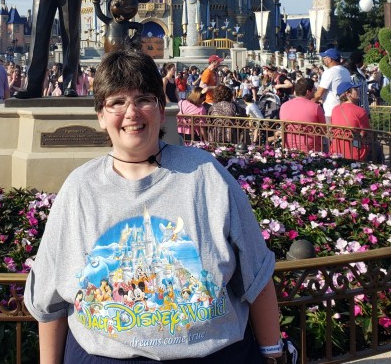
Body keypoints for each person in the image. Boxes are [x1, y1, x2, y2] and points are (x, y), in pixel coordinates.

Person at [23, 49, 285, 363]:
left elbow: (257, 274)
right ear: (101, 116)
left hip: (210, 353)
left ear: (161, 109)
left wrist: (273, 353)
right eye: (117, 102)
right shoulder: (80, 188)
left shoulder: (205, 175)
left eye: (143, 99)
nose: (131, 113)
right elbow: (49, 300)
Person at [279, 78, 326, 152]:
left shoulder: (284, 106)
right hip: (310, 149)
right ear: (308, 92)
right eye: (314, 89)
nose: (315, 92)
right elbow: (324, 130)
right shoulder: (316, 107)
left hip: (288, 147)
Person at [330, 81, 370, 161]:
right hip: (355, 152)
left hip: (337, 150)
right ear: (348, 94)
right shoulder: (360, 111)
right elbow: (366, 132)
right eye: (355, 89)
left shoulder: (335, 109)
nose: (358, 90)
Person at [313, 48, 350, 122]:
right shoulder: (346, 71)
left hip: (331, 111)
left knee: (331, 132)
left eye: (324, 58)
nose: (323, 60)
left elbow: (319, 94)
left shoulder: (329, 72)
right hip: (344, 110)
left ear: (329, 59)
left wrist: (309, 103)